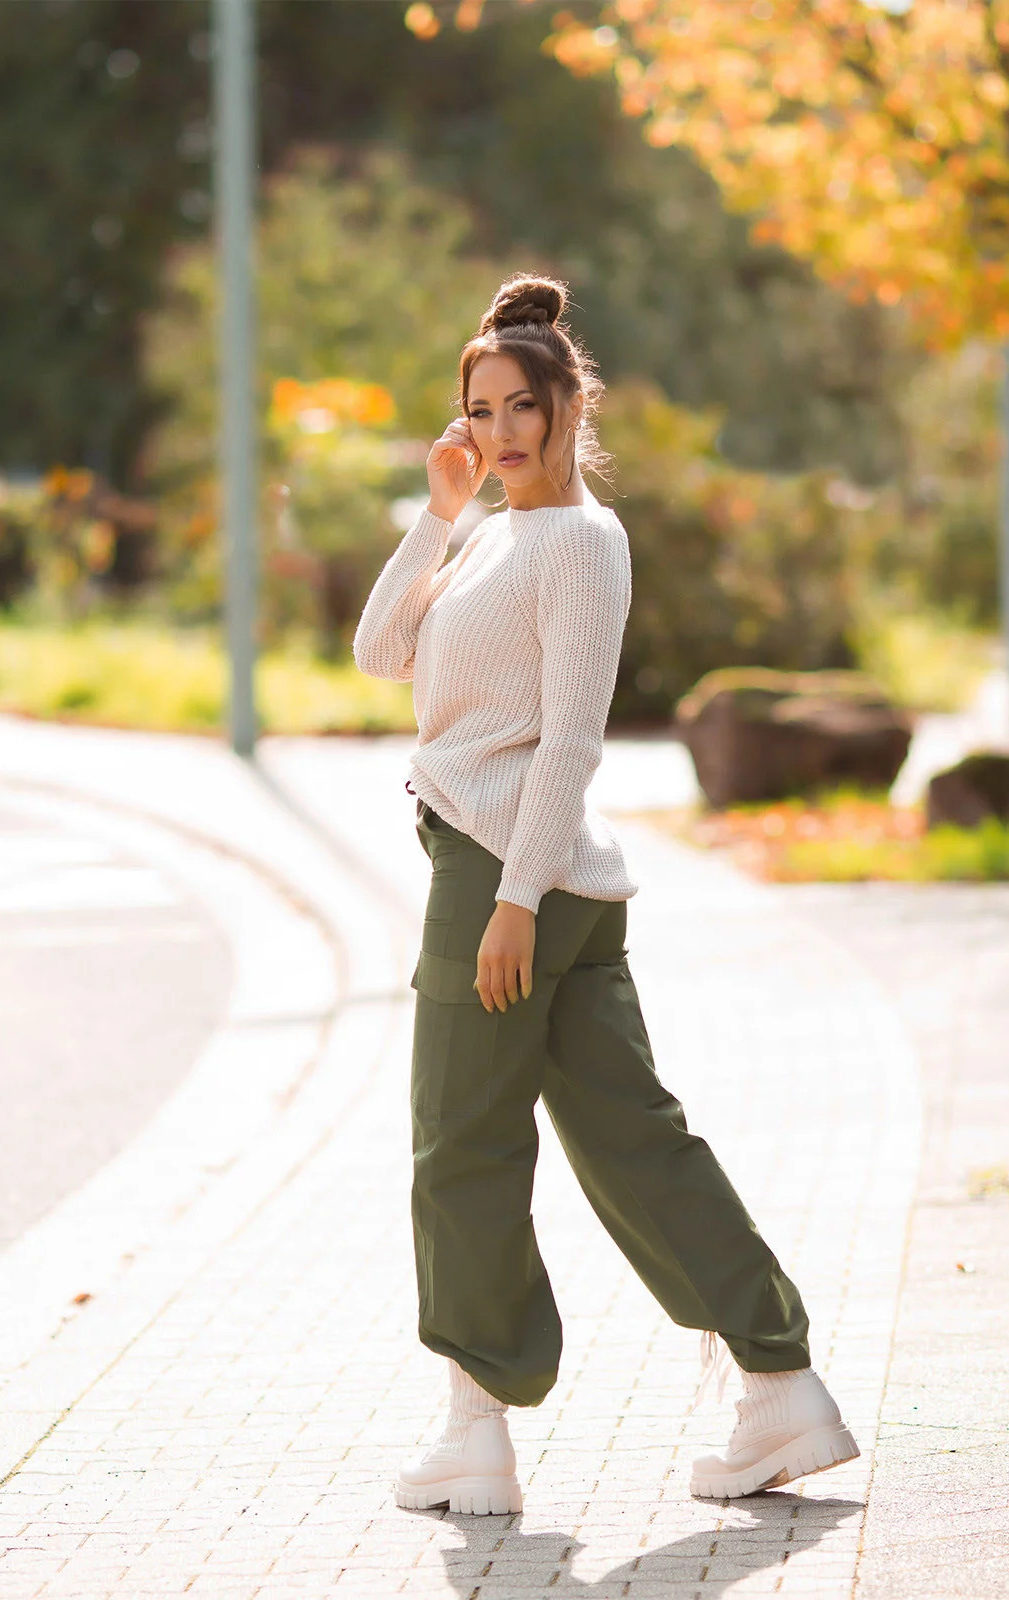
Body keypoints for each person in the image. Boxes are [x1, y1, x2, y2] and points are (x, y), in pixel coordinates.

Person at [352, 273, 859, 1514]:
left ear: (570, 407)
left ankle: (474, 1429)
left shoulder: (579, 542)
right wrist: (438, 514)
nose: (499, 431)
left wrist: (512, 901)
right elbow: (378, 652)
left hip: (507, 873)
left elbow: (572, 739)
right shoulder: (489, 533)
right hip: (541, 880)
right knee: (633, 1138)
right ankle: (780, 1386)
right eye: (478, 409)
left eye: (520, 406)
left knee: (458, 1140)